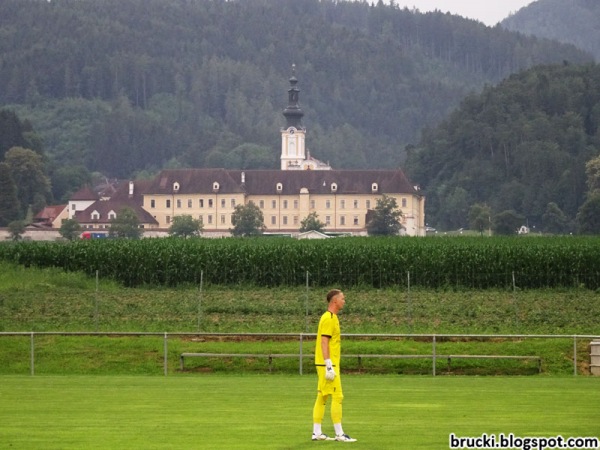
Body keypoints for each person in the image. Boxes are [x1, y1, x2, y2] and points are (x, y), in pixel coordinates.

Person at [311, 289, 357, 442]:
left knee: (322, 396)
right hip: (327, 364)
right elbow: (324, 341)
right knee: (338, 396)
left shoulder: (333, 317)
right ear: (335, 301)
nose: (344, 301)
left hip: (325, 363)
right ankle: (339, 434)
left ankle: (317, 432)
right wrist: (329, 364)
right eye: (342, 298)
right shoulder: (329, 318)